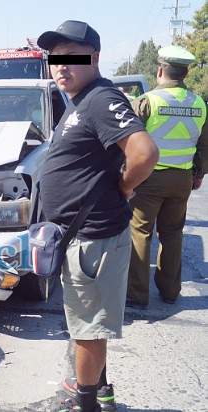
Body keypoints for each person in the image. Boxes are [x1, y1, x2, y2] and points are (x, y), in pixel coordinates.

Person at [36, 21, 158, 412]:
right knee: (84, 321)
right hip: (80, 235)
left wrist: (124, 187)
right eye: (55, 58)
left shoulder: (102, 99)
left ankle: (84, 403)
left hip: (94, 236)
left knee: (89, 328)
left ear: (94, 57)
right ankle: (98, 389)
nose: (61, 66)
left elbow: (144, 153)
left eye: (71, 57)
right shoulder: (82, 100)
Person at [126, 45, 208, 309]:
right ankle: (170, 291)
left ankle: (137, 295)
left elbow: (130, 144)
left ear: (160, 70)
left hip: (149, 180)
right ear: (184, 73)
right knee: (172, 233)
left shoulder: (147, 102)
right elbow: (204, 146)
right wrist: (199, 174)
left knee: (140, 231)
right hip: (182, 178)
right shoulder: (200, 103)